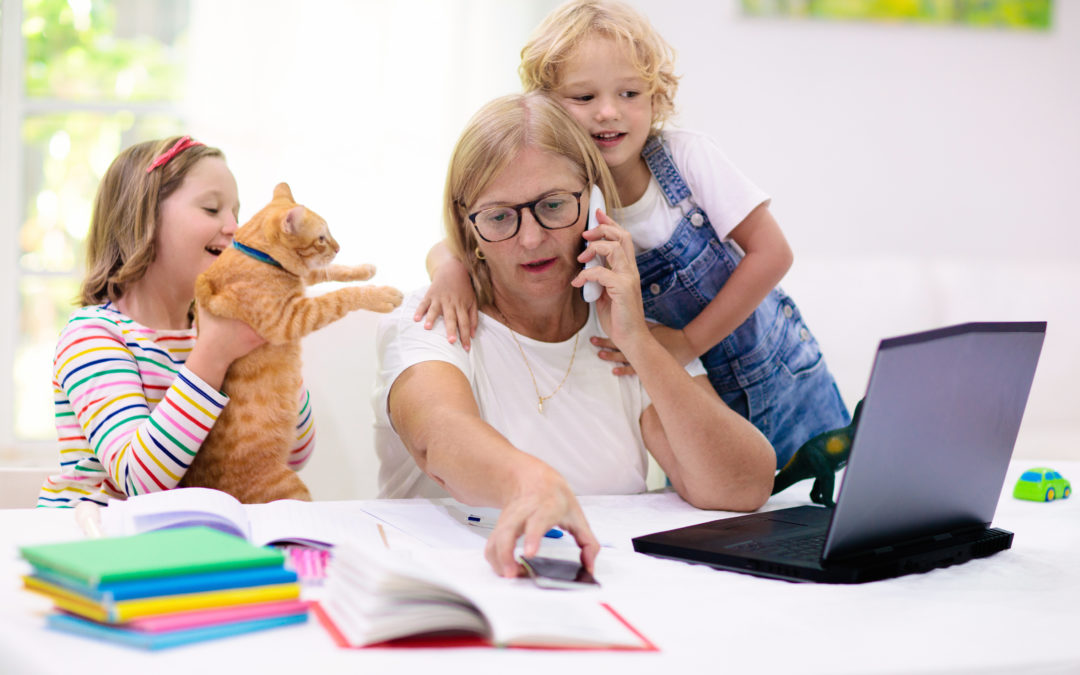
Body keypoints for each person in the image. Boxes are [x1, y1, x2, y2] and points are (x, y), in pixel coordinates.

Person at [415, 0, 851, 471]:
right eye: (584, 98)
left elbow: (773, 253)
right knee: (722, 508)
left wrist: (685, 343)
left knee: (827, 499)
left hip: (783, 376)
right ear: (545, 107)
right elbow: (479, 230)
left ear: (655, 97)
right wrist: (450, 270)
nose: (608, 112)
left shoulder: (686, 160)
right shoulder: (566, 195)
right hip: (690, 397)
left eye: (629, 94)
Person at [374, 93, 776, 578]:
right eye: (500, 216)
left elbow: (740, 487)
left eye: (554, 205)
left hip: (598, 600)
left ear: (595, 204)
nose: (530, 238)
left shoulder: (629, 336)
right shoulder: (432, 317)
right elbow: (438, 435)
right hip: (450, 596)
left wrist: (640, 343)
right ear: (468, 226)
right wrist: (532, 482)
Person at [38, 136, 315, 507]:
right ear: (143, 221)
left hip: (182, 542)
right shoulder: (93, 336)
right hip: (93, 542)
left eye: (237, 211)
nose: (235, 227)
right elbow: (139, 482)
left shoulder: (217, 332)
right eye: (212, 209)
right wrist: (213, 356)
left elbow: (292, 455)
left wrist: (275, 349)